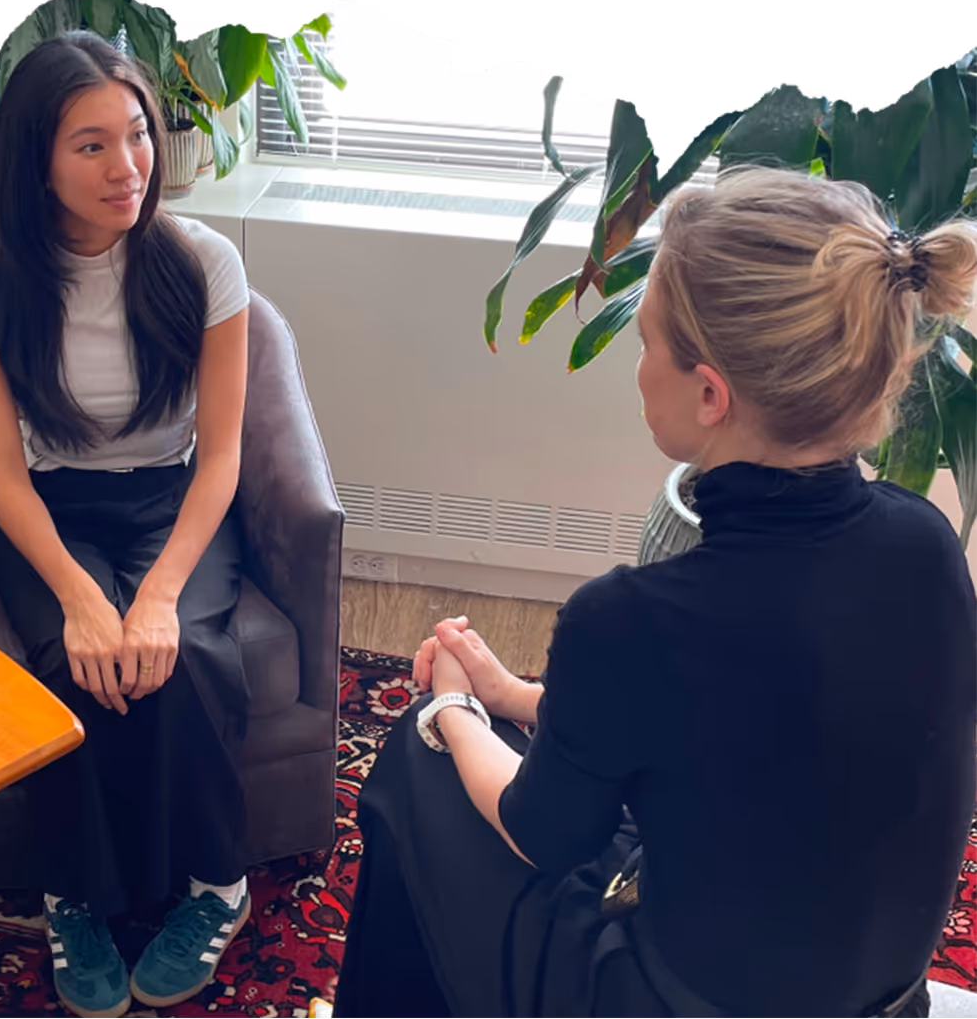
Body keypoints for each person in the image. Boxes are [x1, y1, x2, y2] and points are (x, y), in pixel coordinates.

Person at [333, 165, 977, 1019]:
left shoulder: (634, 615)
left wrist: (453, 709)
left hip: (673, 1002)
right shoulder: (922, 542)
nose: (637, 369)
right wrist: (517, 698)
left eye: (645, 344)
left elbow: (543, 835)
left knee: (416, 765)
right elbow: (756, 739)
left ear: (710, 394)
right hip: (878, 999)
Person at [0, 30, 252, 1019]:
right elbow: (2, 471)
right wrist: (82, 596)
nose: (129, 168)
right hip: (51, 505)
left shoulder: (203, 262)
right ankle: (73, 896)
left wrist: (157, 594)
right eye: (91, 145)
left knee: (183, 653)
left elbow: (225, 455)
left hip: (173, 497)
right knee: (76, 661)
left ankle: (215, 884)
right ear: (35, 159)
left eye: (137, 135)